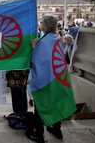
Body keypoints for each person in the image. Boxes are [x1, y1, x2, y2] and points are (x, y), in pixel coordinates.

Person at [27, 15, 72, 143]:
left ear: (45, 26)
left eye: (41, 22)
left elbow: (36, 60)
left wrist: (34, 49)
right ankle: (57, 130)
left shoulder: (42, 42)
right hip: (58, 77)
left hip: (45, 80)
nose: (40, 24)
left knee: (40, 106)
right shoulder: (57, 38)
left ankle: (39, 135)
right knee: (56, 102)